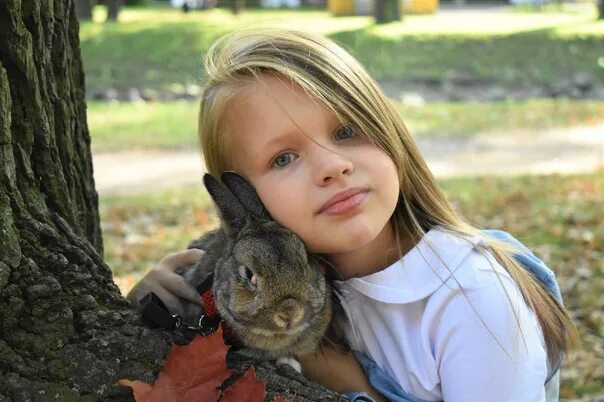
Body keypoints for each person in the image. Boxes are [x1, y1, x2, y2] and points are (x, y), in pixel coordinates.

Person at [126, 28, 578, 401]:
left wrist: (353, 385)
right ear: (242, 203)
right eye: (283, 158)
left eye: (346, 131)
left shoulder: (470, 298)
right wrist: (149, 310)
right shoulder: (261, 287)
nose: (332, 166)